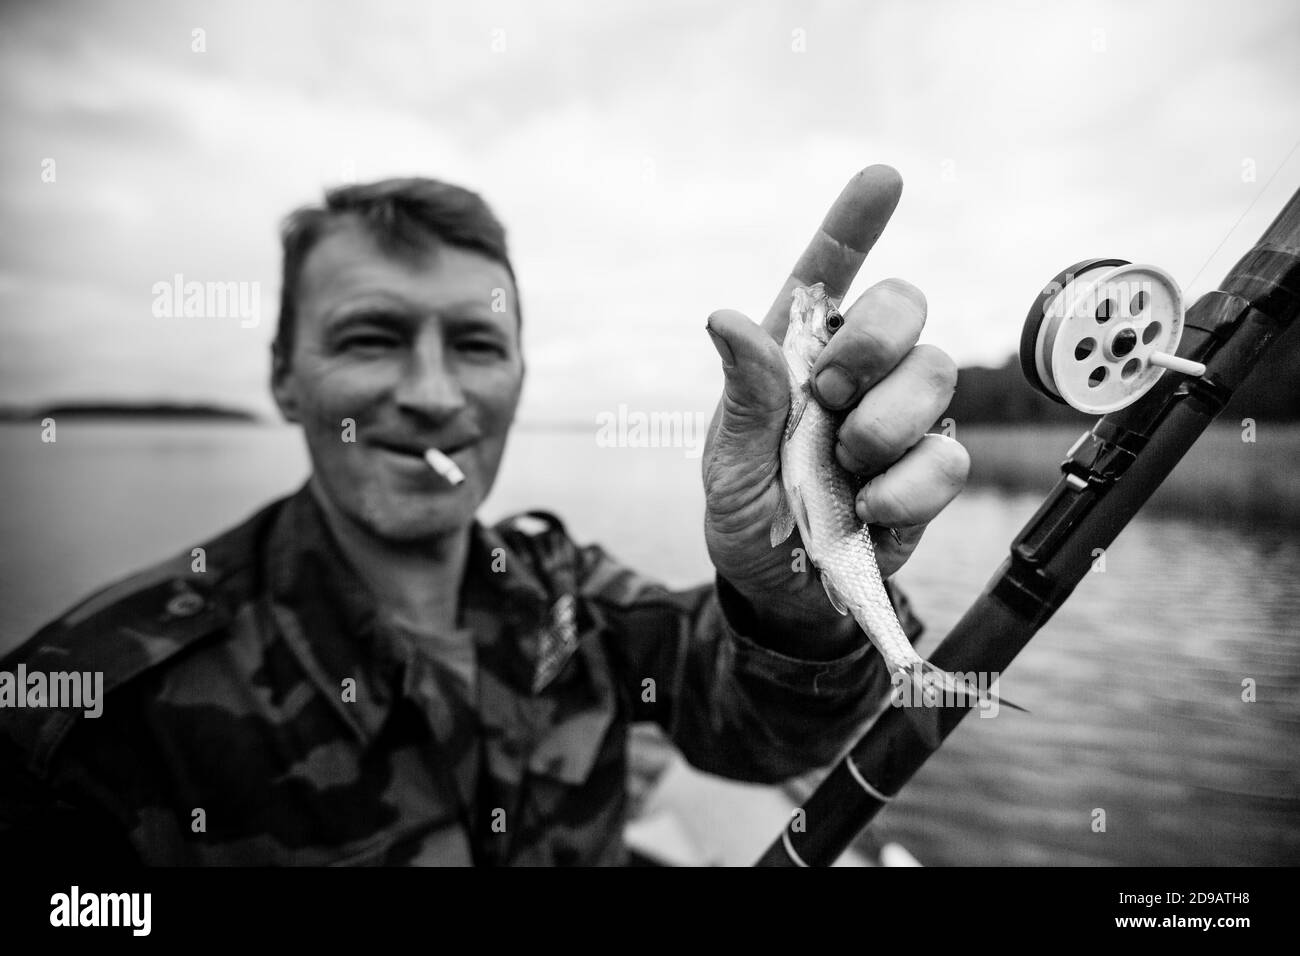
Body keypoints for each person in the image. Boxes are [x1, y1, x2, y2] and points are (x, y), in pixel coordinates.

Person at [0, 165, 969, 865]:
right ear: (282, 380)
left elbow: (759, 735)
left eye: (474, 343)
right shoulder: (81, 699)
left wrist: (795, 590)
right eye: (372, 336)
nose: (431, 394)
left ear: (517, 379)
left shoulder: (568, 589)